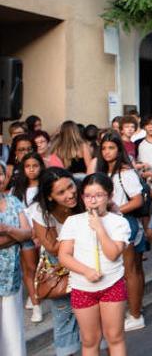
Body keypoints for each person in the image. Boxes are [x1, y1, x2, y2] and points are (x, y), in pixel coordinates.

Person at [57, 173, 130, 356]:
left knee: (114, 337)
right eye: (88, 196)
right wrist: (86, 271)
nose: (93, 200)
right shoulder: (73, 221)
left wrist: (99, 228)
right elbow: (64, 256)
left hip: (112, 284)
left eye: (99, 195)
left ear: (109, 196)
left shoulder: (119, 223)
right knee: (90, 340)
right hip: (82, 287)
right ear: (82, 197)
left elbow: (113, 254)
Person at [95, 132, 146, 331]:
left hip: (125, 224)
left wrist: (115, 210)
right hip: (110, 225)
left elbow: (137, 200)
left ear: (119, 149)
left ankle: (135, 315)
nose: (107, 152)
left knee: (131, 271)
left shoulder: (125, 172)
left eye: (111, 148)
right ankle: (135, 309)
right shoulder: (102, 172)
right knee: (129, 270)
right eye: (104, 148)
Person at [33, 168, 85, 356]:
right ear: (49, 197)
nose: (70, 194)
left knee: (95, 316)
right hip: (59, 268)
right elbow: (52, 246)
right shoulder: (40, 210)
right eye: (61, 192)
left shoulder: (85, 195)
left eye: (71, 186)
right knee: (64, 317)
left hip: (87, 261)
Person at [7, 152, 44, 322]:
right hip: (24, 235)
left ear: (41, 167)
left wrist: (39, 232)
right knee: (29, 269)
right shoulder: (17, 189)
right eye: (27, 166)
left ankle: (37, 294)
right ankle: (36, 305)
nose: (31, 170)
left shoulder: (45, 186)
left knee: (41, 269)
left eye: (35, 166)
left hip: (44, 233)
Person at [0, 175, 32, 356]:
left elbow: (28, 232)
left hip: (12, 274)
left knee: (13, 329)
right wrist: (15, 237)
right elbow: (22, 234)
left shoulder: (13, 201)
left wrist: (7, 229)